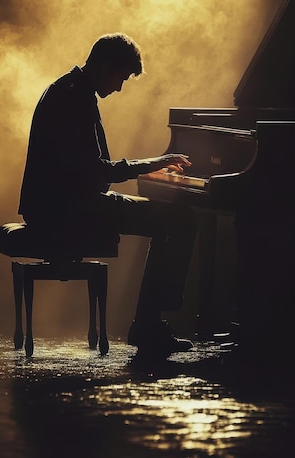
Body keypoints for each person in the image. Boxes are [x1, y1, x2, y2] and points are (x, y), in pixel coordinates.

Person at [18, 33, 197, 361]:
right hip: (65, 209)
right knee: (180, 217)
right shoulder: (75, 98)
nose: (120, 87)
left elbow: (90, 171)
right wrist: (150, 165)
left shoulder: (69, 89)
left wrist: (142, 169)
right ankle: (149, 325)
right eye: (122, 77)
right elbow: (96, 172)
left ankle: (149, 323)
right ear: (104, 66)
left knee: (172, 219)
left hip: (57, 204)